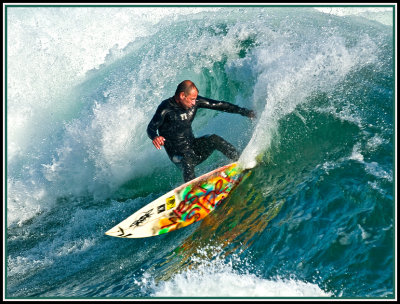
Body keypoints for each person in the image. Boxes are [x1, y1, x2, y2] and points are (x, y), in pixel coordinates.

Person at [147, 80, 255, 182]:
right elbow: (151, 128)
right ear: (182, 96)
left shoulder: (194, 102)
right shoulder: (165, 108)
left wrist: (244, 112)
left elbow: (219, 105)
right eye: (192, 99)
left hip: (193, 149)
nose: (195, 102)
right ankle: (192, 192)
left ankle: (240, 161)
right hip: (178, 156)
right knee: (186, 159)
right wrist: (155, 137)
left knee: (213, 139)